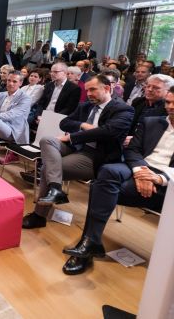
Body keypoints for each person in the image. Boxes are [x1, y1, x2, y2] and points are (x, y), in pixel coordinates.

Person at [62, 87, 174, 275]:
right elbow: (132, 150)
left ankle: (88, 245)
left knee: (101, 189)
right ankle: (90, 243)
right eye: (168, 102)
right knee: (108, 171)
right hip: (138, 167)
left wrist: (160, 178)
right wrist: (141, 171)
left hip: (167, 182)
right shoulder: (152, 122)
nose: (169, 107)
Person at [22, 75, 134, 229]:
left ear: (107, 88)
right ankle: (55, 189)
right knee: (47, 140)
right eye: (87, 90)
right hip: (77, 147)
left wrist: (73, 137)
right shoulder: (85, 106)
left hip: (96, 156)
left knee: (49, 168)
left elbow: (107, 132)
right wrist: (83, 125)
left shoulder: (123, 109)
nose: (88, 94)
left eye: (93, 89)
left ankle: (40, 214)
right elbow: (64, 122)